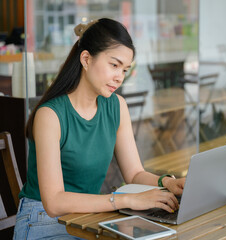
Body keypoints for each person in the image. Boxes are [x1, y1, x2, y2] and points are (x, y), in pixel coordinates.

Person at [13, 18, 185, 239]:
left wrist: (168, 182)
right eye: (114, 65)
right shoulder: (50, 115)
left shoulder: (117, 106)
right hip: (43, 221)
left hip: (90, 216)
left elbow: (134, 173)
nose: (119, 77)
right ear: (86, 59)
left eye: (125, 70)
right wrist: (124, 200)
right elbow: (54, 202)